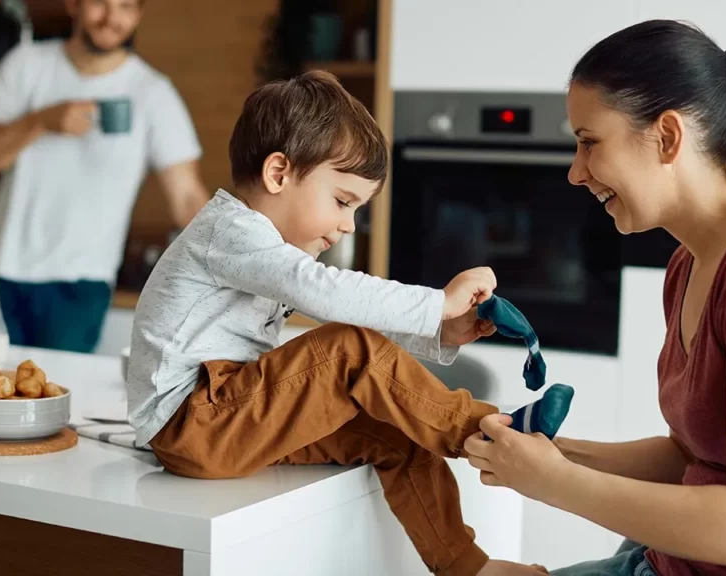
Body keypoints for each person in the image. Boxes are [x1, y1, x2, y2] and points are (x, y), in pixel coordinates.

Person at [465, 20, 726, 576]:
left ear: (666, 136)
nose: (574, 173)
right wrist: (549, 451)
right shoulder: (691, 264)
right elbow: (695, 460)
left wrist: (553, 481)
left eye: (589, 142)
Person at [127, 71, 563, 576]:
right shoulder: (230, 229)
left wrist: (438, 330)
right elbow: (328, 297)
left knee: (398, 433)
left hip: (229, 418)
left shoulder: (266, 251)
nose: (348, 224)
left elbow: (338, 306)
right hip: (192, 423)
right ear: (278, 173)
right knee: (345, 347)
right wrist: (437, 303)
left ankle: (469, 566)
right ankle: (489, 431)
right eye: (342, 201)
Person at [0, 0, 209, 353]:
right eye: (100, 3)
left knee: (54, 403)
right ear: (73, 5)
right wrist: (40, 121)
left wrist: (246, 258)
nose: (111, 17)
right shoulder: (25, 66)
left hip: (80, 287)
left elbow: (186, 199)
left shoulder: (153, 94)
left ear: (139, 14)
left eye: (125, 7)